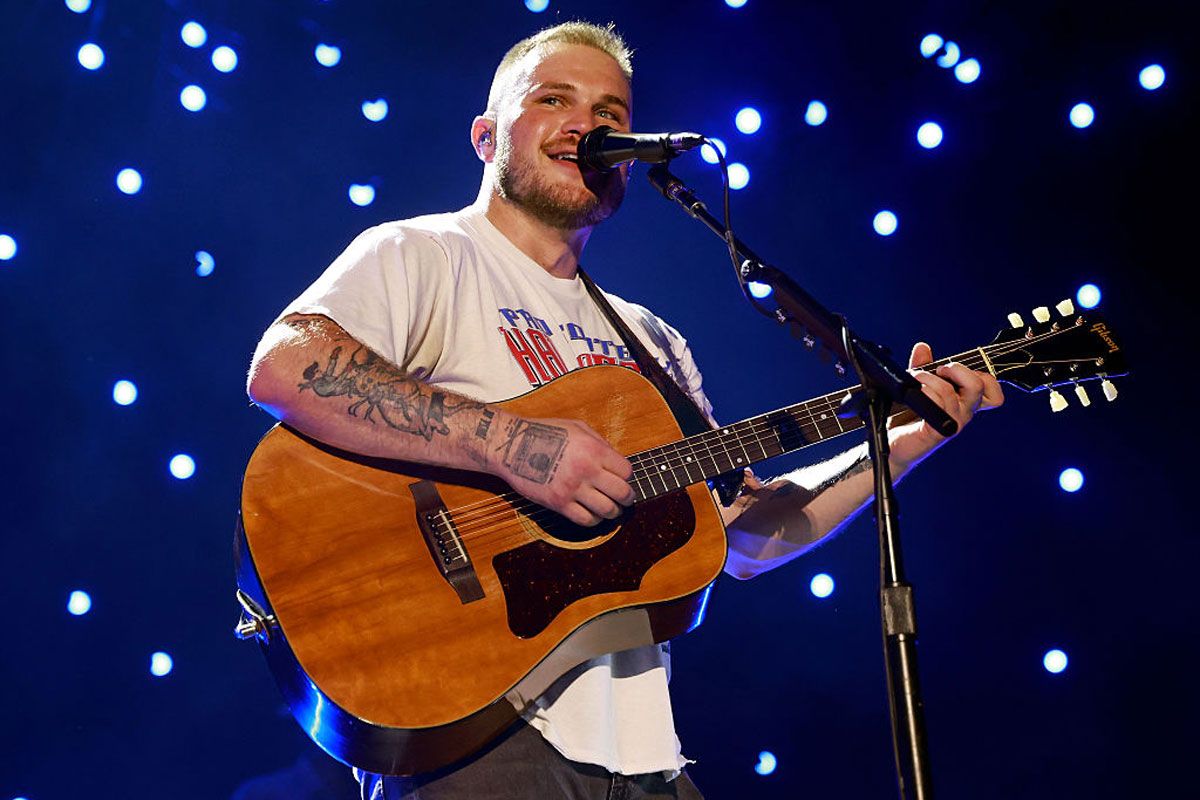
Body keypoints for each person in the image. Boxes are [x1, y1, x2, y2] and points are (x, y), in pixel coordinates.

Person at [246, 20, 1004, 800]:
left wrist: (900, 442)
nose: (588, 125)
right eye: (554, 99)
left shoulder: (651, 341)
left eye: (611, 115)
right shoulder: (423, 254)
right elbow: (288, 365)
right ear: (486, 136)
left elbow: (743, 534)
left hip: (646, 763)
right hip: (479, 739)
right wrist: (513, 446)